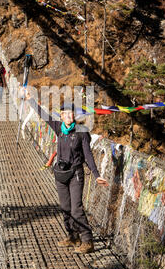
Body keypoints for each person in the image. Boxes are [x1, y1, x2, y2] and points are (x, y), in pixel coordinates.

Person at [25, 92, 108, 254]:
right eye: (65, 114)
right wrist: (30, 100)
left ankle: (87, 241)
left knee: (76, 208)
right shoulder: (59, 128)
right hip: (61, 174)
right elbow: (44, 115)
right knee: (65, 207)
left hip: (76, 173)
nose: (68, 116)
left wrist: (97, 174)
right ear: (61, 116)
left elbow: (88, 154)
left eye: (71, 113)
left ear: (74, 115)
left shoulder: (81, 132)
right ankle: (73, 236)